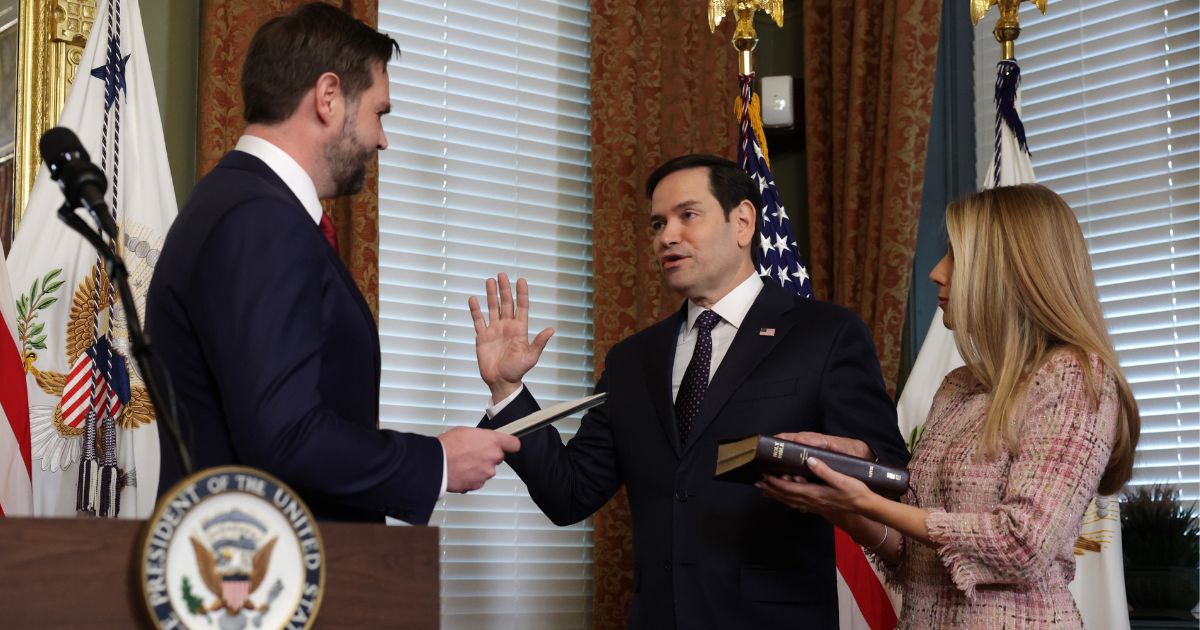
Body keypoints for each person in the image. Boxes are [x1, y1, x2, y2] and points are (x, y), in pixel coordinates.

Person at [470, 154, 911, 628]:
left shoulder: (825, 335)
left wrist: (829, 461)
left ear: (742, 222)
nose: (667, 237)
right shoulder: (633, 359)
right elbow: (569, 494)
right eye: (658, 223)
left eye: (687, 216)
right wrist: (507, 387)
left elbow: (889, 473)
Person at [147, 3, 518, 524]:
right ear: (328, 98)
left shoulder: (239, 202)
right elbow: (285, 435)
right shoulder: (261, 219)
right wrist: (435, 461)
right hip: (261, 571)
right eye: (379, 112)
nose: (381, 138)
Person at [758, 184, 1141, 628]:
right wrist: (841, 504)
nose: (936, 272)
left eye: (957, 255)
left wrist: (869, 501)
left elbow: (1023, 544)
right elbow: (918, 559)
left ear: (1011, 268)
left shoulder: (1075, 376)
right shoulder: (957, 386)